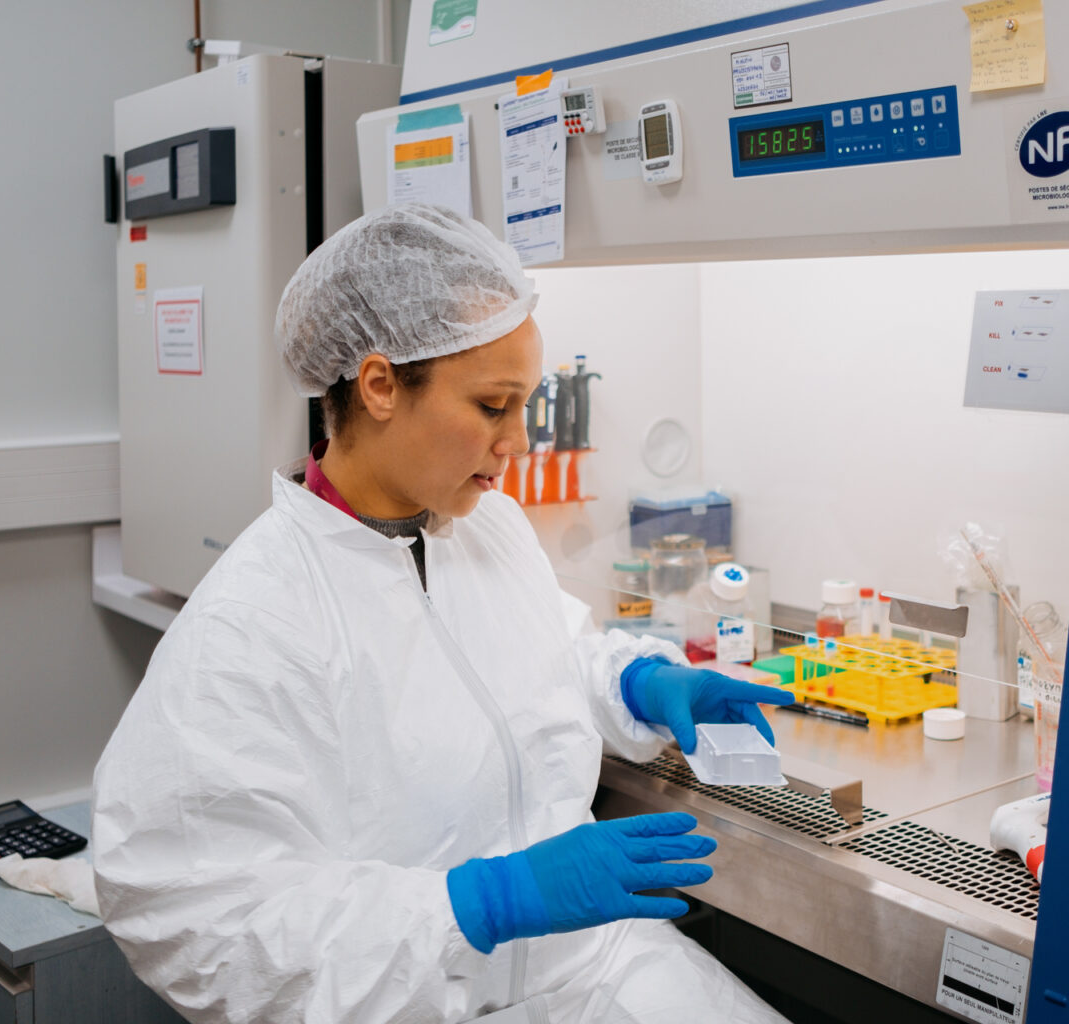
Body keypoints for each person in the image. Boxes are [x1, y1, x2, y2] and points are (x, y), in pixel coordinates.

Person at [91, 204, 795, 1023]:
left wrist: (639, 682)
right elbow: (198, 923)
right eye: (494, 407)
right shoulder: (254, 623)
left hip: (595, 962)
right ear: (381, 385)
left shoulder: (481, 526)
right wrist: (480, 904)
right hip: (423, 1002)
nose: (520, 443)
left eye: (527, 405)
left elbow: (543, 657)